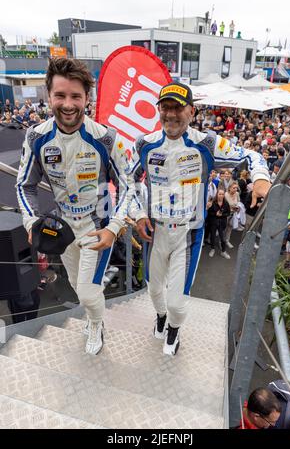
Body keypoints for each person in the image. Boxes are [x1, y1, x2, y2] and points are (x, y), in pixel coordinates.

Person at [131, 82, 271, 356]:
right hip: (156, 231)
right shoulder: (145, 144)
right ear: (159, 110)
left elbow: (250, 155)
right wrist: (137, 214)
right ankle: (161, 318)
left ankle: (173, 329)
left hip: (189, 233)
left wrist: (261, 179)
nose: (171, 114)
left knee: (177, 301)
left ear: (191, 111)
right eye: (166, 107)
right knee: (153, 289)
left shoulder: (206, 143)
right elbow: (130, 179)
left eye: (178, 108)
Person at [16, 57, 134, 356]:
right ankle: (94, 317)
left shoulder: (106, 138)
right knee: (76, 284)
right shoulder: (37, 137)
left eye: (75, 96)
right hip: (62, 229)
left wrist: (114, 227)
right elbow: (24, 185)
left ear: (87, 98)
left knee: (86, 290)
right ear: (49, 95)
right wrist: (31, 223)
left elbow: (129, 185)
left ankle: (96, 324)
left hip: (98, 228)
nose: (68, 104)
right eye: (60, 95)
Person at [207, 188, 231, 259]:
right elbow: (209, 213)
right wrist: (215, 214)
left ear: (224, 195)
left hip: (221, 223)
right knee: (213, 237)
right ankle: (212, 249)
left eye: (222, 194)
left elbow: (228, 213)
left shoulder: (226, 203)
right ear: (217, 194)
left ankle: (223, 251)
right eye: (219, 194)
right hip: (213, 222)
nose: (221, 195)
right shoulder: (213, 203)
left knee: (222, 238)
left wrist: (222, 215)